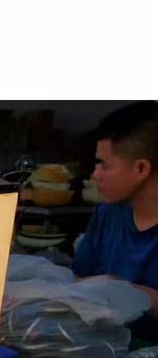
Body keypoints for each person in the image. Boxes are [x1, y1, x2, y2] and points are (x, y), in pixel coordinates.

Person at [72, 101, 158, 339]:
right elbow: (80, 278)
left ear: (141, 168)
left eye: (104, 165)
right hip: (104, 348)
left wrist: (130, 292)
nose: (95, 174)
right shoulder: (108, 212)